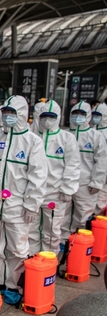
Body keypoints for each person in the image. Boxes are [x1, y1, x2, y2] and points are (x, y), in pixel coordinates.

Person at [0, 95, 48, 305]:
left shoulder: (32, 142)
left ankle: (14, 285)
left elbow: (37, 175)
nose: (8, 117)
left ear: (22, 114)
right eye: (6, 113)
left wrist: (32, 204)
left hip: (18, 207)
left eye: (13, 113)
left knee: (18, 249)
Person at [28, 100, 79, 254]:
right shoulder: (33, 138)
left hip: (55, 193)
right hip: (35, 192)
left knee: (52, 231)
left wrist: (68, 189)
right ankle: (33, 261)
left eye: (51, 116)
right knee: (32, 229)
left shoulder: (66, 139)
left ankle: (49, 263)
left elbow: (72, 165)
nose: (47, 120)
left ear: (58, 117)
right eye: (44, 116)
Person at [62, 101, 107, 242]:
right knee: (64, 214)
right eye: (75, 114)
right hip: (66, 182)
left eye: (82, 114)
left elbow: (102, 161)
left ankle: (80, 243)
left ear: (88, 116)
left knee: (83, 215)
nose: (78, 117)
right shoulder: (65, 135)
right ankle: (64, 241)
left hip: (86, 183)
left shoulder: (95, 136)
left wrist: (97, 182)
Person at [92, 103, 107, 213]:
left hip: (104, 177)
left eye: (98, 115)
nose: (95, 118)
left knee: (100, 202)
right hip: (90, 176)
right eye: (94, 115)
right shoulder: (90, 132)